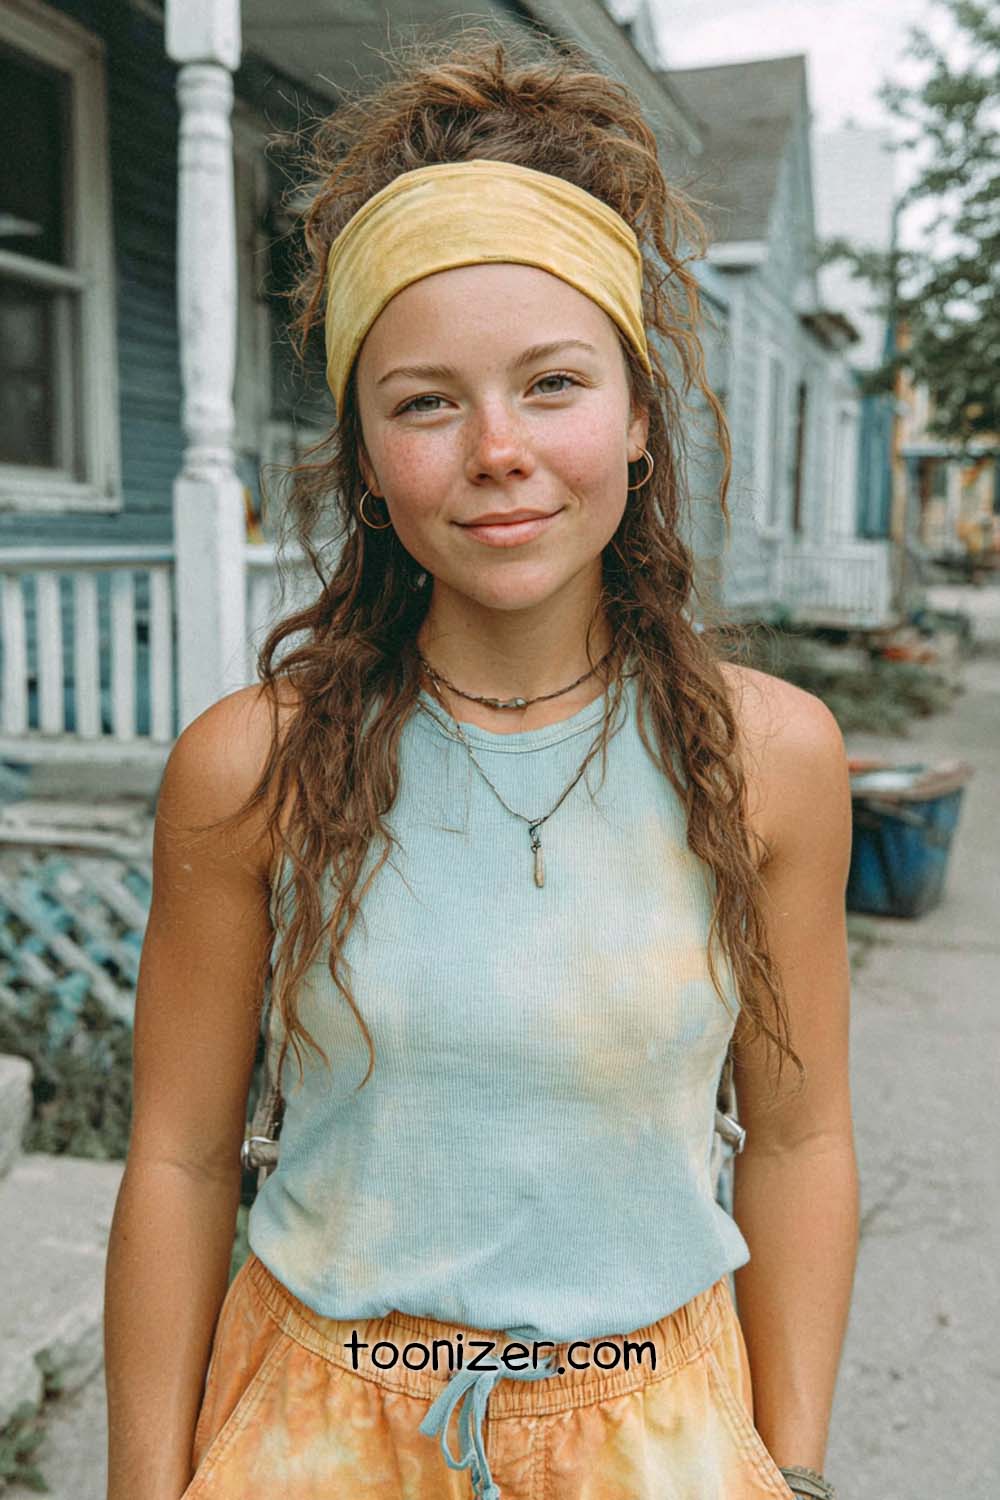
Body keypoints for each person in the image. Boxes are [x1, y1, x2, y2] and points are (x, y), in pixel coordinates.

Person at [103, 28, 859, 1500]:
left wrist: (794, 1469)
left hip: (658, 1436)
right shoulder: (255, 766)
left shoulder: (765, 758)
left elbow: (801, 1137)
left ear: (638, 420)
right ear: (367, 457)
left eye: (554, 383)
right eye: (426, 400)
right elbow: (181, 1161)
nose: (497, 447)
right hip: (312, 1433)